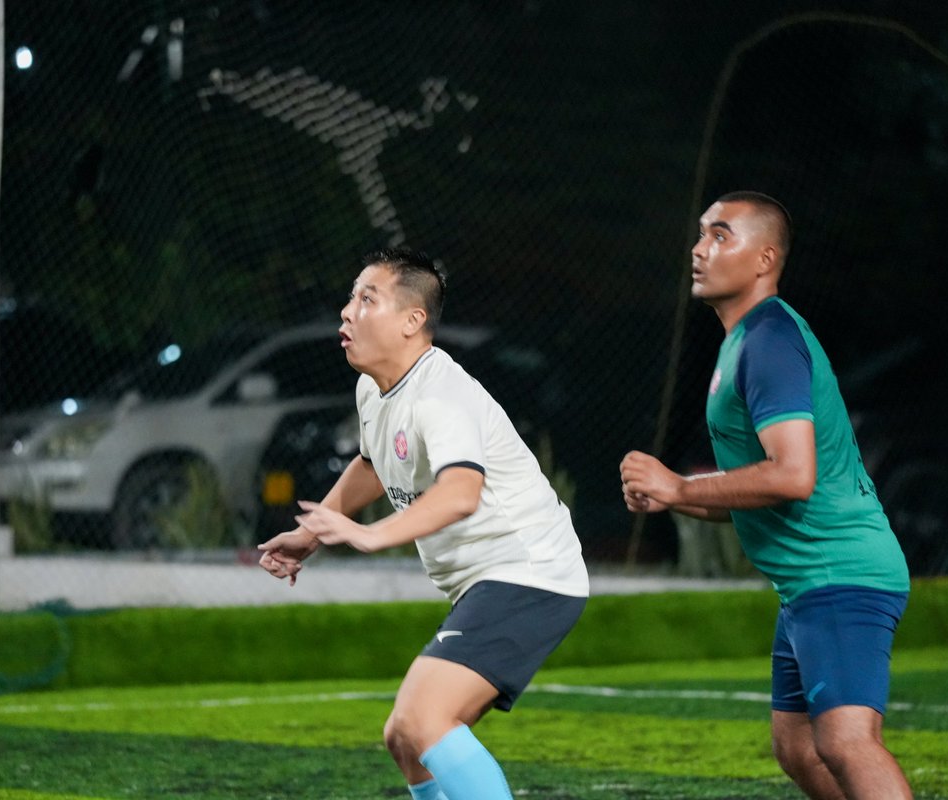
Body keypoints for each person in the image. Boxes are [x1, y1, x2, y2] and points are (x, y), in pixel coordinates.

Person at [258, 247, 589, 800]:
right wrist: (312, 535)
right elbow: (371, 462)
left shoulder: (441, 395)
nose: (347, 312)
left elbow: (461, 492)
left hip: (529, 573)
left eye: (367, 298)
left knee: (424, 719)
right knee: (404, 740)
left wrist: (370, 534)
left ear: (414, 321)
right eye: (350, 296)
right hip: (492, 581)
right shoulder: (375, 388)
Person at [620, 191, 912, 800]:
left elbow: (791, 475)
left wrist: (677, 483)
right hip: (808, 581)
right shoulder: (743, 341)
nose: (700, 249)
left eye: (721, 235)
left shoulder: (769, 341)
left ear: (764, 259)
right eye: (701, 234)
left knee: (845, 742)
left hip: (838, 570)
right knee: (799, 749)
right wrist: (675, 498)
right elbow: (762, 493)